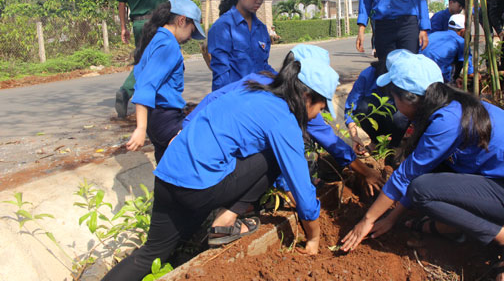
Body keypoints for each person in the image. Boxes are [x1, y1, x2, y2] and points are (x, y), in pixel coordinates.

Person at [102, 58, 340, 281]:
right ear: (307, 96)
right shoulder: (284, 119)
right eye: (320, 108)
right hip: (198, 188)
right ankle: (225, 221)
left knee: (150, 254)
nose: (317, 115)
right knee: (276, 157)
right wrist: (314, 237)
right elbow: (301, 187)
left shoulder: (252, 89)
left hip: (167, 175)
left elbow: (211, 104)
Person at [340, 51, 504, 281]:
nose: (394, 103)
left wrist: (366, 221)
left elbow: (406, 178)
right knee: (428, 179)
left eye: (394, 97)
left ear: (409, 98)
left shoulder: (446, 121)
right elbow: (420, 169)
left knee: (422, 190)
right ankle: (453, 228)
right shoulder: (452, 106)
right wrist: (391, 218)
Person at [183, 44, 385, 196]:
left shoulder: (261, 79)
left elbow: (213, 98)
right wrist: (366, 172)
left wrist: (183, 128)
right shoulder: (300, 100)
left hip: (197, 149)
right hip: (215, 173)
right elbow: (331, 143)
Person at [115, 0, 214, 118]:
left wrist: (123, 27)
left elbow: (121, 4)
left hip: (136, 22)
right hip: (155, 21)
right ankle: (128, 92)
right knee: (157, 59)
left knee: (144, 59)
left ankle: (143, 95)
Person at [124, 0, 204, 163]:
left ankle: (162, 189)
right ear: (182, 20)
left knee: (165, 163)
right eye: (192, 29)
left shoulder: (156, 39)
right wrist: (140, 128)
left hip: (156, 118)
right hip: (165, 118)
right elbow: (146, 85)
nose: (190, 37)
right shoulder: (168, 45)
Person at [208, 0, 276, 91]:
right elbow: (221, 74)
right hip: (235, 99)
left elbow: (263, 66)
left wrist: (283, 81)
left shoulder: (261, 29)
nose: (259, 1)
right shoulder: (223, 27)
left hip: (258, 97)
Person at [344, 60, 409, 154]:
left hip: (396, 119)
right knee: (363, 107)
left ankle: (394, 145)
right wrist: (354, 135)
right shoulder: (368, 74)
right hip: (377, 118)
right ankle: (375, 142)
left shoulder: (407, 76)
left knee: (400, 117)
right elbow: (350, 107)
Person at [421, 14, 473, 83]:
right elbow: (469, 71)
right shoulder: (461, 42)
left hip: (420, 70)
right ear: (463, 30)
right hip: (438, 77)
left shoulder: (434, 34)